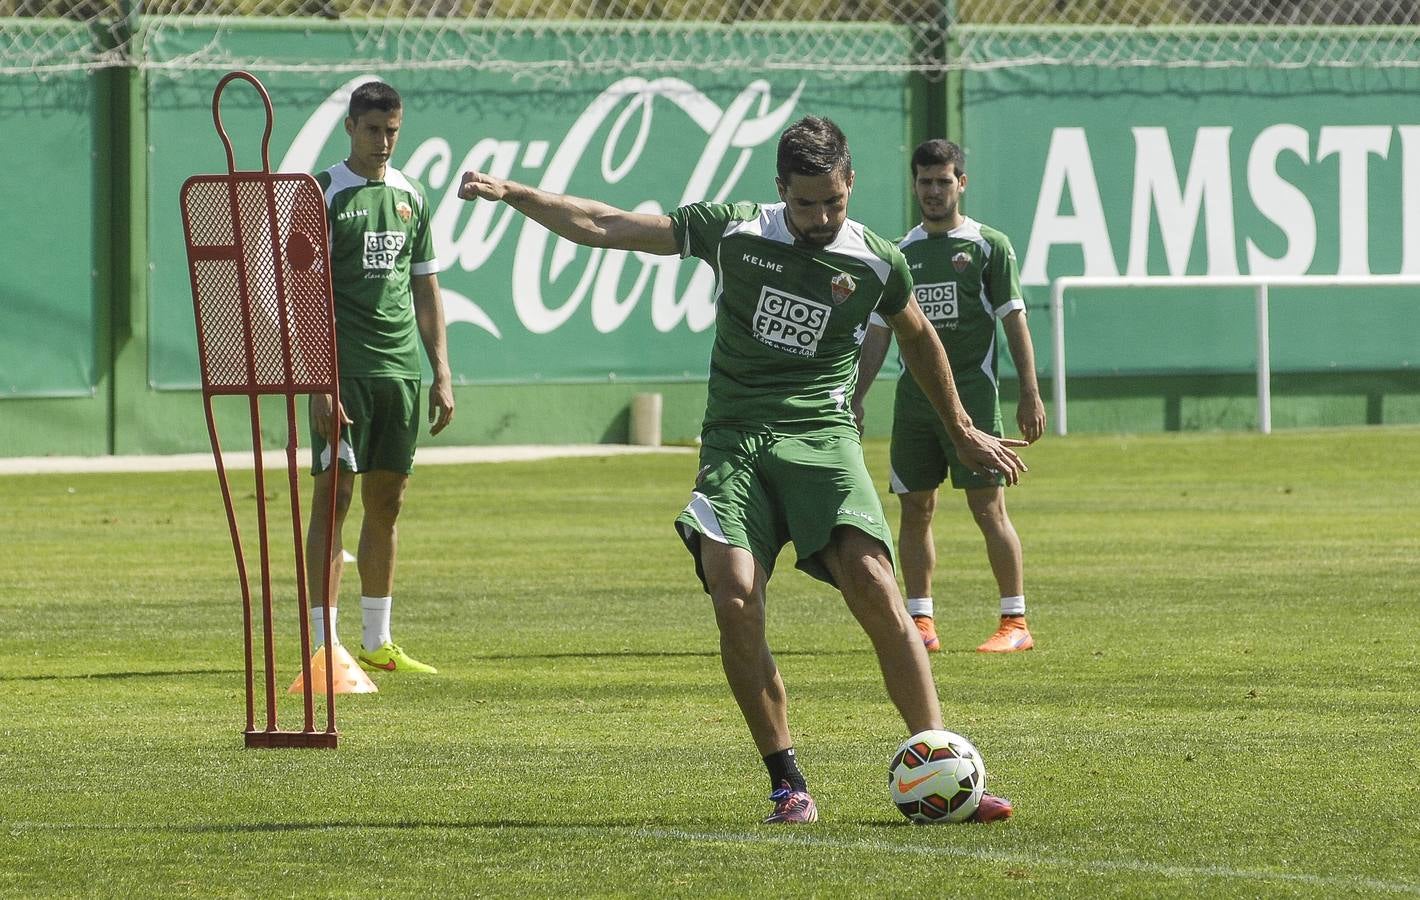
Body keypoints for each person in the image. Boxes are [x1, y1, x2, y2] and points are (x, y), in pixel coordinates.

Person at [457, 116, 1024, 825]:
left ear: (851, 183)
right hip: (734, 441)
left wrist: (962, 427)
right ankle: (788, 784)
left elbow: (918, 335)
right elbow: (606, 225)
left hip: (821, 436)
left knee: (877, 585)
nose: (820, 217)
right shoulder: (732, 232)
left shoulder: (878, 260)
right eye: (805, 203)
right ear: (779, 188)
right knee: (733, 596)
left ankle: (942, 766)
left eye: (834, 201)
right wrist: (513, 191)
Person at [853, 139, 1045, 655]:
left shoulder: (988, 246)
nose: (933, 191)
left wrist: (1029, 391)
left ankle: (1015, 620)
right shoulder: (901, 253)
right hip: (914, 406)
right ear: (914, 184)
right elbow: (878, 333)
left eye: (943, 181)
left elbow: (1014, 319)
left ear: (962, 182)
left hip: (975, 402)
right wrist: (858, 396)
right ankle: (921, 621)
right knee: (915, 508)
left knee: (989, 509)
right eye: (924, 181)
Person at [305, 80, 455, 675]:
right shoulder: (319, 193)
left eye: (393, 130)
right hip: (342, 373)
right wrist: (318, 380)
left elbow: (425, 284)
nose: (384, 141)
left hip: (400, 371)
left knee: (387, 503)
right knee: (333, 496)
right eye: (373, 130)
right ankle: (322, 643)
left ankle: (376, 640)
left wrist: (441, 369)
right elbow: (300, 293)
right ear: (349, 127)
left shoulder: (412, 196)